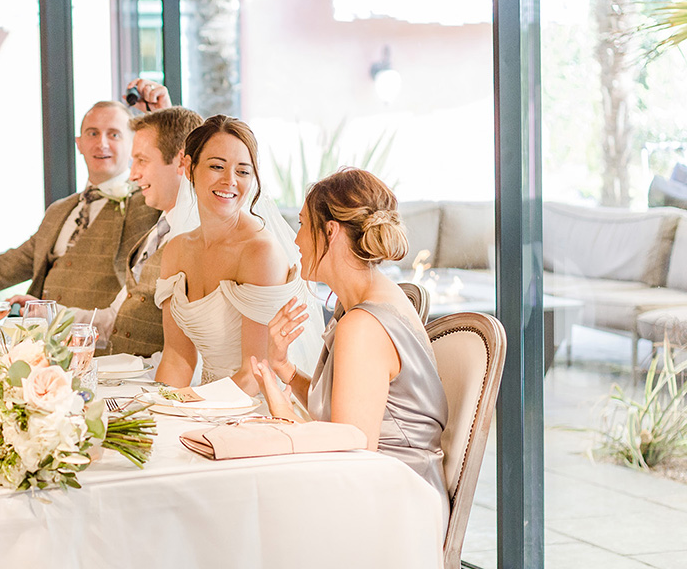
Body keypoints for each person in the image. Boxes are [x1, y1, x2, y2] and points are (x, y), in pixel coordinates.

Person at [251, 167, 450, 522]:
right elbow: (346, 415)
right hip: (381, 487)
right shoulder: (365, 302)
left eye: (301, 225)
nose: (296, 240)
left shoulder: (363, 325)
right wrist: (284, 369)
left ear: (330, 231)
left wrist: (278, 404)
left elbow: (349, 452)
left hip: (395, 506)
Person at [154, 115, 323, 394]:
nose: (229, 181)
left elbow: (255, 373)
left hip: (256, 407)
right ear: (188, 167)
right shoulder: (176, 250)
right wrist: (156, 410)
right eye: (217, 166)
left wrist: (187, 404)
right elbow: (176, 357)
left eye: (243, 172)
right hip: (203, 403)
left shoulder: (260, 253)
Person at [0, 101, 160, 310]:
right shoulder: (59, 210)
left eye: (114, 134)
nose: (102, 143)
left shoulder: (149, 201)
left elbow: (185, 180)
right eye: (92, 133)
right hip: (42, 336)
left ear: (133, 144)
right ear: (79, 144)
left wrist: (161, 112)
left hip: (105, 338)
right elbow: (4, 268)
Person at [71, 104, 205, 357]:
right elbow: (115, 319)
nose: (132, 175)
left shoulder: (202, 238)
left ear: (181, 161)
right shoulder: (158, 231)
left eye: (141, 161)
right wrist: (47, 317)